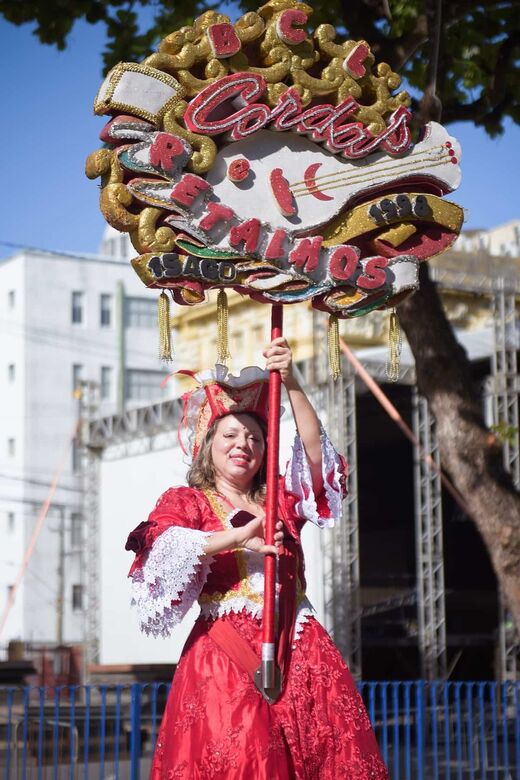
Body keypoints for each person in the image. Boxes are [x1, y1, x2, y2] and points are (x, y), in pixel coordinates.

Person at [126, 337, 389, 779]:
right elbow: (162, 545)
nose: (242, 443)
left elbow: (317, 462)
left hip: (299, 644)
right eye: (230, 434)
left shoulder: (282, 499)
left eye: (254, 436)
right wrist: (236, 537)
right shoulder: (188, 500)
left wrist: (294, 384)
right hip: (224, 653)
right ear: (208, 445)